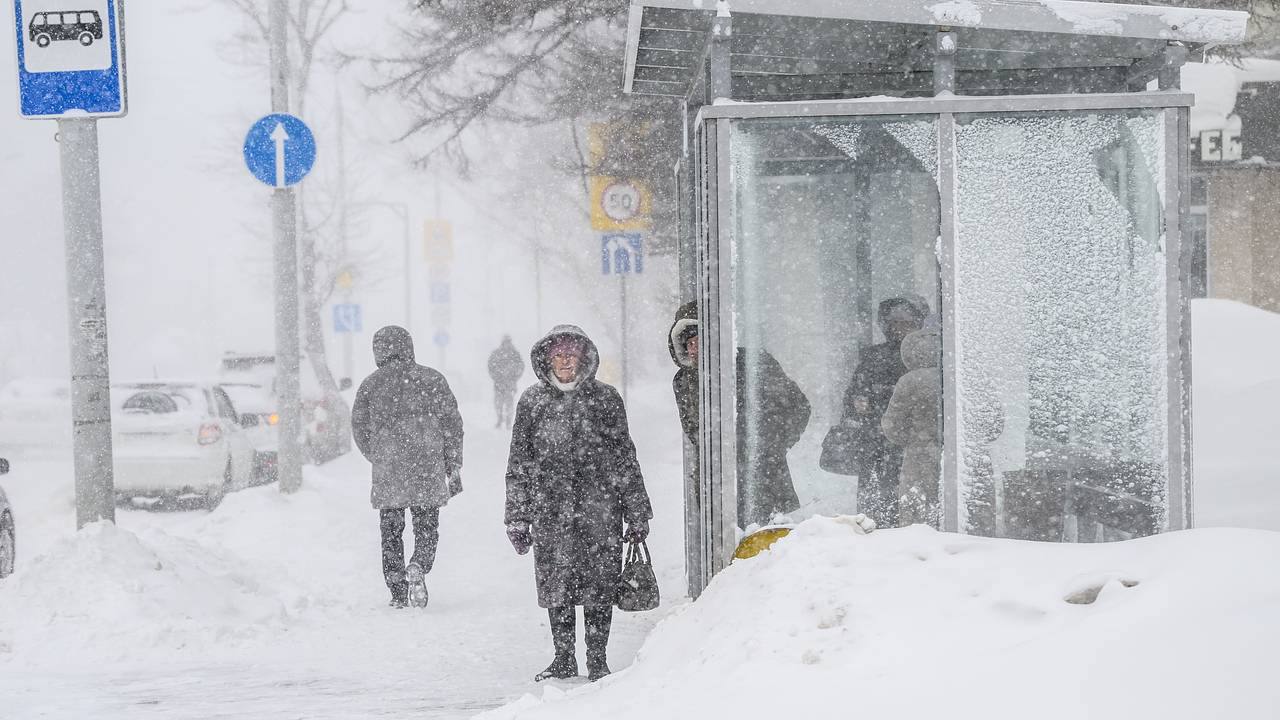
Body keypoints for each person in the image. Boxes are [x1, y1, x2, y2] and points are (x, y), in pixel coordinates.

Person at [504, 324, 653, 683]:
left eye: (572, 354)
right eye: (559, 354)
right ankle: (564, 657)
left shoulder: (605, 399)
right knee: (558, 585)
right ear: (548, 359)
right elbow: (519, 462)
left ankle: (597, 660)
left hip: (599, 510)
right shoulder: (532, 402)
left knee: (599, 586)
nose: (565, 360)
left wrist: (637, 511)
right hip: (550, 511)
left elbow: (624, 457)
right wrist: (517, 516)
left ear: (584, 357)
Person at [668, 301, 811, 528]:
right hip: (717, 486)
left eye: (699, 340)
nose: (694, 349)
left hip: (765, 480)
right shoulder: (682, 382)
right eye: (689, 344)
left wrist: (772, 445)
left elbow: (799, 406)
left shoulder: (751, 363)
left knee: (771, 549)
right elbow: (694, 433)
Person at [350, 326, 464, 609]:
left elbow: (359, 428)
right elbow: (452, 424)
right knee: (426, 526)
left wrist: (378, 456)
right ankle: (419, 564)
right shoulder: (432, 379)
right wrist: (451, 462)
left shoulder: (370, 385)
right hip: (428, 465)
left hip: (389, 469)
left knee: (391, 531)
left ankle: (397, 590)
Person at [839, 297, 926, 528]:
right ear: (885, 325)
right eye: (895, 322)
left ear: (918, 323)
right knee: (876, 515)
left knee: (912, 513)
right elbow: (853, 400)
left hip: (910, 447)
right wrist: (862, 407)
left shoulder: (928, 360)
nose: (900, 328)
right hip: (877, 448)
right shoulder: (873, 358)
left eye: (906, 323)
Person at [880, 328, 942, 527]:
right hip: (966, 459)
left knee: (918, 519)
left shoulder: (910, 381)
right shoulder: (965, 375)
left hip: (920, 459)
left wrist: (916, 439)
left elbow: (892, 425)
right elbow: (994, 422)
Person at [488, 335, 525, 429]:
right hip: (499, 383)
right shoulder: (497, 354)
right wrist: (496, 376)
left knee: (509, 403)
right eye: (506, 342)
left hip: (510, 384)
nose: (507, 344)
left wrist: (514, 377)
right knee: (498, 403)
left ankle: (508, 421)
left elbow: (520, 367)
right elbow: (491, 366)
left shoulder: (515, 354)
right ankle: (500, 419)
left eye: (508, 342)